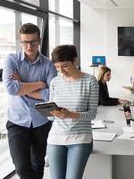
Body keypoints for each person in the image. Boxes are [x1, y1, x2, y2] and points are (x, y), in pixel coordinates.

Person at [2, 23, 57, 179]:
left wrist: (23, 87)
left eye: (33, 41)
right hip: (17, 121)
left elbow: (51, 94)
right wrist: (40, 84)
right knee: (21, 166)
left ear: (39, 41)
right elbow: (12, 88)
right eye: (25, 42)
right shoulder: (11, 60)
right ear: (20, 42)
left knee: (38, 164)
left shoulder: (48, 64)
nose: (29, 46)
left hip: (42, 121)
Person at [47, 45, 98, 179]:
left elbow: (92, 114)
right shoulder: (55, 82)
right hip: (56, 137)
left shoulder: (90, 81)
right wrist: (51, 113)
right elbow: (51, 118)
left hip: (80, 138)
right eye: (57, 67)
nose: (61, 71)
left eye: (64, 66)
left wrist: (71, 115)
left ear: (74, 61)